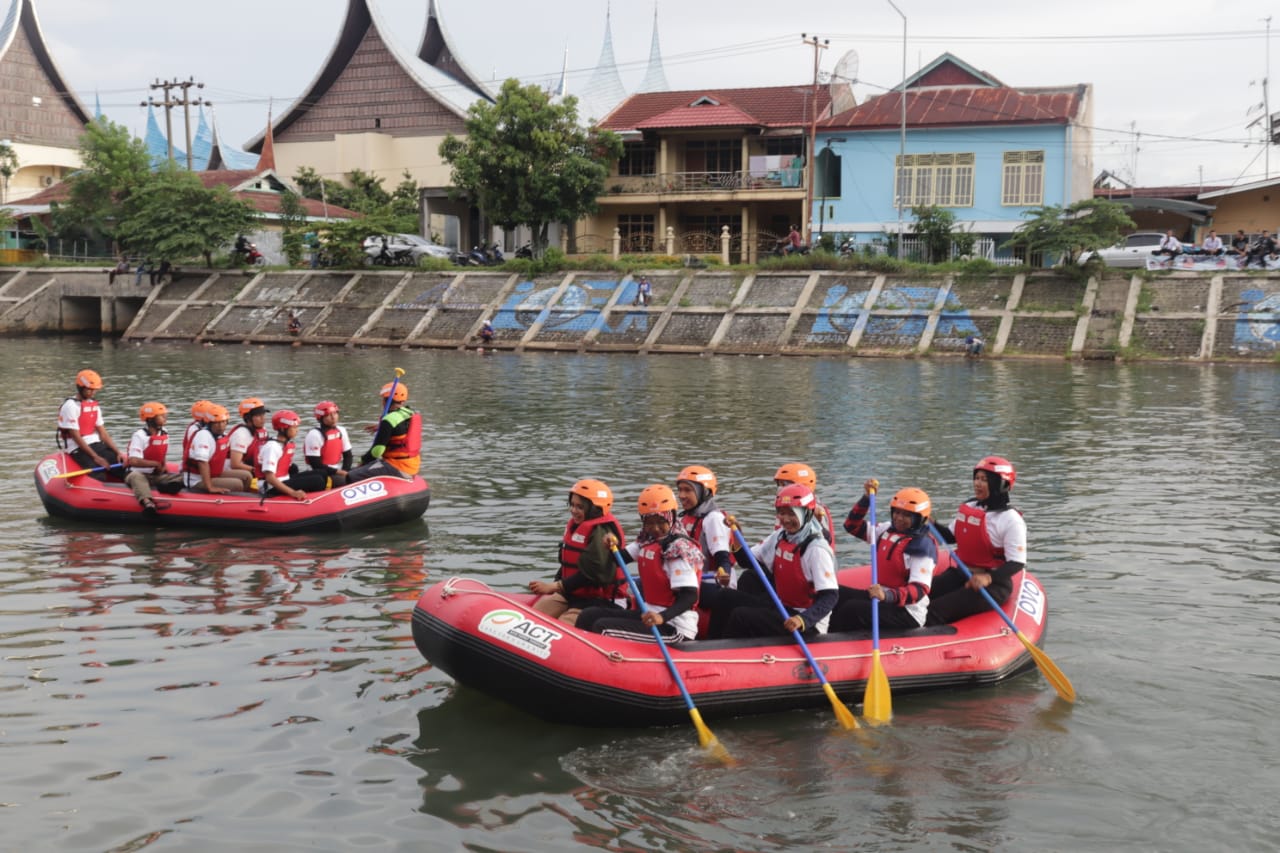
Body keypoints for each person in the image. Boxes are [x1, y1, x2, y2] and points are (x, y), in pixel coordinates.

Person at [577, 484, 703, 643]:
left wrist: (662, 617)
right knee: (588, 615)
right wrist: (610, 545)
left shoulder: (678, 550)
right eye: (649, 522)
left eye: (661, 521)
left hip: (674, 626)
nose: (655, 528)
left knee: (603, 628)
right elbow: (618, 559)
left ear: (671, 516)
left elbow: (690, 595)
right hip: (648, 615)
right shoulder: (647, 540)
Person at [719, 484, 839, 638]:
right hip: (783, 607)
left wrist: (802, 620)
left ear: (807, 514)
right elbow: (748, 562)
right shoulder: (781, 535)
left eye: (792, 514)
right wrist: (737, 537)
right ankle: (709, 644)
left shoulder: (816, 549)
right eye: (782, 513)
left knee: (740, 615)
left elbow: (830, 596)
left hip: (807, 623)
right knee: (725, 596)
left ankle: (723, 649)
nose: (786, 520)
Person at [926, 456, 1027, 626]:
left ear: (1001, 484)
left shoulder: (1011, 520)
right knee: (920, 595)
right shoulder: (970, 507)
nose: (977, 484)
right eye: (976, 478)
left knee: (934, 611)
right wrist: (932, 523)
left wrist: (988, 577)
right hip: (962, 573)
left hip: (993, 584)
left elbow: (1017, 562)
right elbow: (951, 536)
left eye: (984, 480)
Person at [831, 482, 937, 632]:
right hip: (882, 598)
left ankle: (830, 640)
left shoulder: (922, 547)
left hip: (906, 612)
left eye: (907, 515)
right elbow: (851, 526)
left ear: (919, 518)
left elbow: (919, 590)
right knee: (835, 593)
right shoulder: (886, 530)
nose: (899, 518)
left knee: (851, 609)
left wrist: (887, 596)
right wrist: (866, 499)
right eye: (897, 512)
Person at [527, 479, 629, 625]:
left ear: (594, 509)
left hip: (602, 600)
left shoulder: (602, 532)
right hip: (574, 594)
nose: (573, 510)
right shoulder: (577, 526)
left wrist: (554, 586)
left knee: (562, 626)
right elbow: (570, 563)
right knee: (533, 617)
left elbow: (592, 574)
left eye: (580, 507)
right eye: (572, 505)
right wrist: (555, 585)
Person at [345, 381, 421, 482]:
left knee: (350, 475)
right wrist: (381, 428)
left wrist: (362, 461)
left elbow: (377, 451)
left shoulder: (388, 421)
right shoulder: (410, 413)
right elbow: (400, 429)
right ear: (402, 401)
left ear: (385, 400)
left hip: (398, 466)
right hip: (413, 465)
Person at [57, 369, 122, 480]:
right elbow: (76, 436)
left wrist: (117, 452)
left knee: (120, 465)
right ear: (80, 388)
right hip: (77, 447)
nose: (92, 393)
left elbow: (103, 433)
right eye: (89, 390)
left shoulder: (93, 405)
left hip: (95, 443)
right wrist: (96, 457)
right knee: (98, 475)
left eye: (94, 390)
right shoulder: (70, 406)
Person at [123, 401, 183, 513]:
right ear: (151, 419)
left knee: (182, 477)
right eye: (161, 416)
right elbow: (133, 461)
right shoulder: (139, 436)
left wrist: (163, 466)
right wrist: (155, 464)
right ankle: (147, 503)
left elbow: (161, 452)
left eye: (165, 415)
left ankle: (166, 487)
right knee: (136, 476)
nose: (165, 418)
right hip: (139, 474)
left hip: (155, 474)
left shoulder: (164, 432)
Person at [256, 410, 331, 499]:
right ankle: (313, 501)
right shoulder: (272, 447)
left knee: (322, 473)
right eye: (294, 427)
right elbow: (270, 478)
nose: (297, 430)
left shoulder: (285, 444)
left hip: (284, 479)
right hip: (271, 487)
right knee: (317, 481)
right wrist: (293, 493)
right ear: (283, 429)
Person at [182, 404, 252, 494]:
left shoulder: (222, 435)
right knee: (237, 484)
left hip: (214, 474)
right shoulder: (203, 435)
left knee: (247, 476)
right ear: (210, 423)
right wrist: (210, 487)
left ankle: (244, 497)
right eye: (217, 423)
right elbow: (202, 463)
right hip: (197, 479)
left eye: (223, 422)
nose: (221, 426)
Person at [773, 463, 836, 546]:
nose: (780, 488)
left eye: (784, 484)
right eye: (779, 484)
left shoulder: (811, 509)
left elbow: (824, 539)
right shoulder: (785, 507)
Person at [304, 400, 353, 486]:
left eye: (335, 413)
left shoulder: (341, 430)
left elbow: (348, 455)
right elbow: (315, 464)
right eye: (328, 415)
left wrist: (345, 471)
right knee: (349, 480)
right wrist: (339, 473)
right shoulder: (314, 435)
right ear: (320, 418)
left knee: (361, 473)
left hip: (337, 470)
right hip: (319, 474)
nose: (333, 417)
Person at [227, 397, 269, 486]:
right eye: (258, 415)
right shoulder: (241, 434)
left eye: (263, 414)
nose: (263, 418)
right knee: (253, 477)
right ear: (248, 418)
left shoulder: (262, 430)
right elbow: (235, 464)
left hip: (251, 466)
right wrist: (257, 470)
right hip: (234, 470)